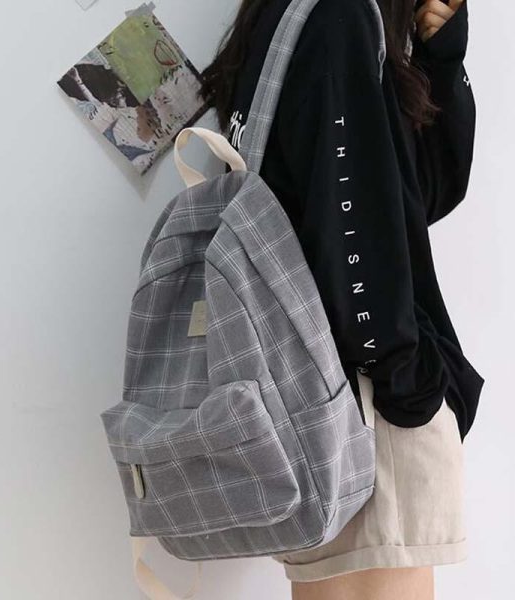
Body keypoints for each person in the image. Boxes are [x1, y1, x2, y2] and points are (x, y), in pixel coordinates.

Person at [199, 0, 485, 598]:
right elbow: (350, 231)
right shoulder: (339, 18)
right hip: (364, 400)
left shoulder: (293, 17)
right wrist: (410, 386)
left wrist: (439, 58)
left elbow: (416, 199)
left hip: (317, 392)